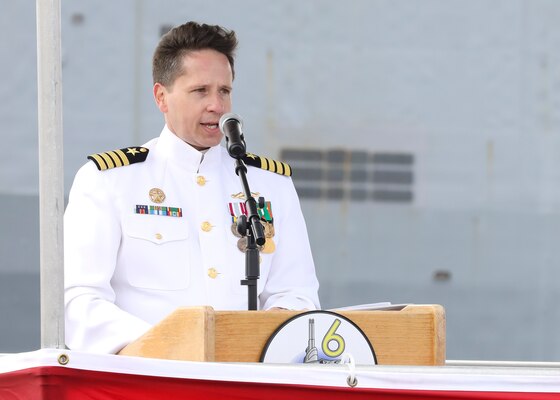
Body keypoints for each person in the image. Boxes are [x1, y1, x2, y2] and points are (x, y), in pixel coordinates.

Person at [64, 21, 320, 354]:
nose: (218, 105)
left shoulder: (269, 184)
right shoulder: (109, 180)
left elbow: (298, 292)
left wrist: (272, 327)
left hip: (244, 377)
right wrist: (169, 345)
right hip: (147, 377)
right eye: (201, 91)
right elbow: (78, 300)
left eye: (224, 91)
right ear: (162, 97)